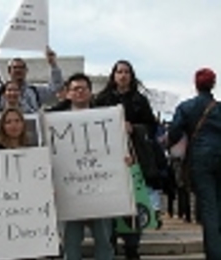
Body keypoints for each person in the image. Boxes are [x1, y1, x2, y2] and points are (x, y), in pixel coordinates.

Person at [95, 60, 159, 260]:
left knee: (134, 202)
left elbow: (152, 127)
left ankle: (132, 246)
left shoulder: (140, 100)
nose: (122, 75)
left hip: (134, 158)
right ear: (113, 75)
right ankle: (110, 241)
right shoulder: (102, 99)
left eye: (126, 72)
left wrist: (135, 128)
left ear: (131, 76)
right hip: (108, 158)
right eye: (119, 72)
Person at [49, 73, 116, 260]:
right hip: (69, 192)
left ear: (90, 92)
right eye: (75, 89)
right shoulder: (54, 121)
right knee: (70, 243)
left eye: (83, 88)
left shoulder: (107, 119)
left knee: (104, 241)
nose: (79, 92)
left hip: (101, 190)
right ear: (67, 93)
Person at [166, 68, 221, 260]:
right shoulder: (219, 107)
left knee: (209, 208)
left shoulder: (186, 107)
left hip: (200, 159)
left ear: (195, 85)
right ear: (213, 84)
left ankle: (215, 254)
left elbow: (174, 132)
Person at [0, 46, 63, 113]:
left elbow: (56, 87)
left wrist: (53, 64)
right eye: (15, 68)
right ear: (9, 71)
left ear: (26, 71)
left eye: (21, 67)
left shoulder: (35, 92)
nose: (18, 70)